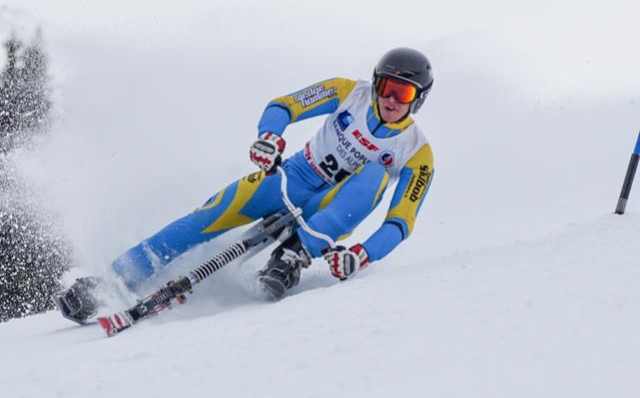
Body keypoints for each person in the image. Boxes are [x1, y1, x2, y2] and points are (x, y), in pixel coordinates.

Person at [58, 47, 435, 320]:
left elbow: (400, 223)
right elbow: (284, 105)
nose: (389, 99)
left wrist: (362, 254)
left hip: (330, 208)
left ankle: (291, 255)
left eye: (402, 93)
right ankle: (112, 281)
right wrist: (269, 137)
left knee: (373, 175)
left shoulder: (416, 152)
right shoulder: (346, 92)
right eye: (385, 86)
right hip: (291, 178)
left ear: (418, 99)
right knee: (207, 217)